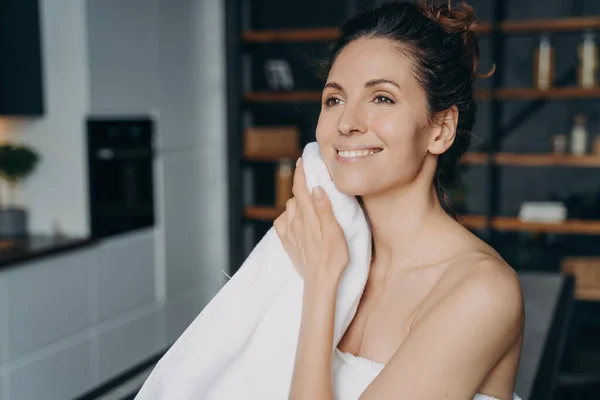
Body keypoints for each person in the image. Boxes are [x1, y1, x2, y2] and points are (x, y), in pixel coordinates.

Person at [273, 1, 525, 399]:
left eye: (382, 98)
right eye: (334, 99)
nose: (347, 122)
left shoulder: (482, 290)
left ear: (440, 130)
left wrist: (321, 286)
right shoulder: (318, 245)